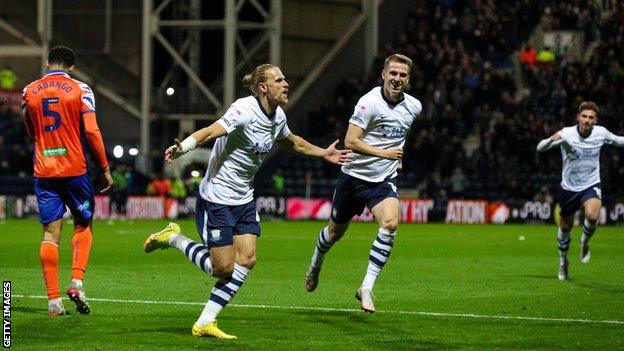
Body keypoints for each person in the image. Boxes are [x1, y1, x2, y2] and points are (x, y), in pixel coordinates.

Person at [143, 63, 352, 339]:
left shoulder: (277, 117)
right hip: (217, 198)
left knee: (248, 259)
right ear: (263, 87)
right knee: (222, 268)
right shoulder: (243, 110)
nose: (286, 83)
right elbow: (209, 131)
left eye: (284, 78)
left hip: (244, 199)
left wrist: (323, 153)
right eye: (279, 79)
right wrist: (184, 148)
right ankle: (173, 238)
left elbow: (293, 142)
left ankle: (205, 322)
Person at [303, 53, 422, 313]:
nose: (397, 79)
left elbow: (401, 133)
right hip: (353, 178)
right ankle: (316, 261)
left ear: (408, 79)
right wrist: (385, 154)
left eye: (402, 75)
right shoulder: (368, 103)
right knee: (334, 233)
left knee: (390, 224)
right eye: (393, 73)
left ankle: (366, 287)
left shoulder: (414, 106)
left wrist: (396, 159)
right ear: (383, 74)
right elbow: (351, 141)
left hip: (383, 180)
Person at [21, 45, 113, 316]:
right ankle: (76, 282)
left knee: (50, 233)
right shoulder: (82, 90)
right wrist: (105, 167)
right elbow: (92, 131)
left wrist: (45, 144)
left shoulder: (28, 91)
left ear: (48, 62)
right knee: (83, 223)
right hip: (74, 170)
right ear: (72, 67)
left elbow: (30, 128)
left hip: (44, 170)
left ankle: (53, 301)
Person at [536, 101, 624, 280]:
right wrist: (551, 139)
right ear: (578, 117)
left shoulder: (601, 133)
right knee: (565, 227)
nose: (587, 120)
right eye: (584, 116)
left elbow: (619, 141)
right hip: (569, 188)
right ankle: (563, 261)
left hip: (591, 184)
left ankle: (584, 242)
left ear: (595, 120)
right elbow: (540, 147)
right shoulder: (567, 134)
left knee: (592, 216)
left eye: (591, 117)